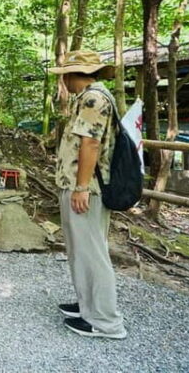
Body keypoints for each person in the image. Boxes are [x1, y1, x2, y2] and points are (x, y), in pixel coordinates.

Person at [48, 50, 127, 339]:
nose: (63, 82)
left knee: (92, 252)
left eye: (65, 76)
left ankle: (106, 321)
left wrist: (81, 187)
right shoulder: (88, 98)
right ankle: (87, 306)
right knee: (81, 250)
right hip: (77, 185)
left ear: (72, 75)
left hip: (88, 189)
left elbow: (90, 145)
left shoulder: (94, 99)